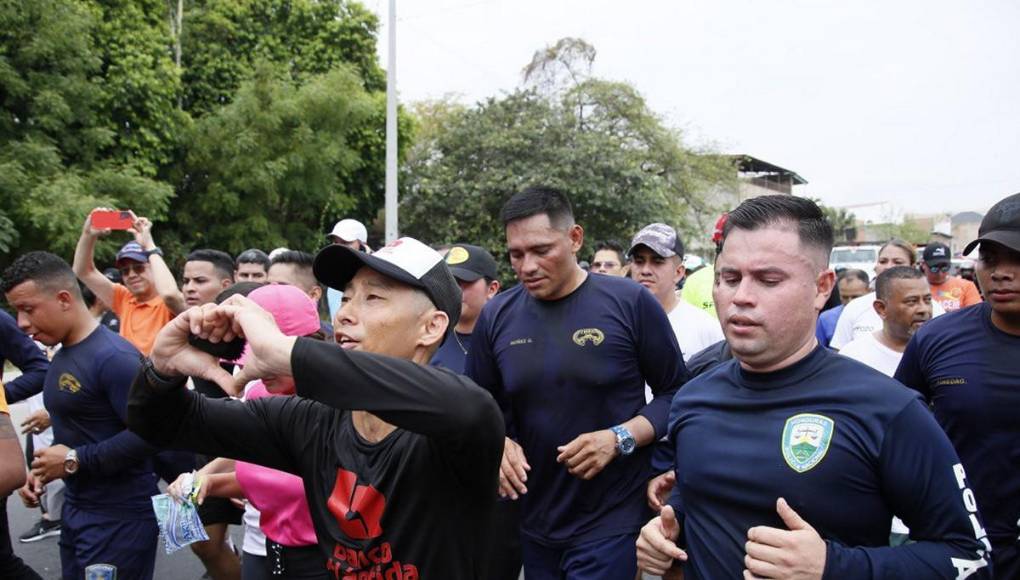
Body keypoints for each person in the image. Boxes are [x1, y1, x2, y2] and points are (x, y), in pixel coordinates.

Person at [636, 195, 992, 579]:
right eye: (730, 278)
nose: (741, 297)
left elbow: (969, 559)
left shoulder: (887, 409)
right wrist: (666, 535)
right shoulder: (693, 397)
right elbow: (699, 503)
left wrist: (833, 567)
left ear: (822, 288)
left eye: (769, 280)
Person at [126, 237, 504, 579]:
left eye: (373, 298)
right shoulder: (311, 419)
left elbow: (468, 408)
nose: (344, 314)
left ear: (431, 327)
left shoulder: (457, 428)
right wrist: (163, 368)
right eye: (347, 296)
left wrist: (284, 351)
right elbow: (163, 423)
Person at [467, 186, 687, 579]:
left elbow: (678, 395)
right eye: (516, 254)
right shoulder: (497, 316)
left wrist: (620, 437)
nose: (527, 266)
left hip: (611, 518)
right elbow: (477, 406)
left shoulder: (630, 303)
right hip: (535, 519)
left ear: (574, 238)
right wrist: (496, 443)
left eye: (541, 250)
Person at [3, 252, 160, 580]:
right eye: (17, 311)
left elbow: (153, 436)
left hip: (119, 518)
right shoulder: (63, 354)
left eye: (28, 309)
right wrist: (45, 470)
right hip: (78, 511)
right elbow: (82, 428)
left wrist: (75, 459)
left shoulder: (115, 358)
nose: (21, 323)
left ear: (63, 299)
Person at [895, 192, 1020, 578]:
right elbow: (896, 432)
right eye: (990, 258)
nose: (1001, 272)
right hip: (961, 546)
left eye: (1017, 259)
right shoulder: (936, 339)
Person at [167, 284, 327, 579]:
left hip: (328, 557)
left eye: (267, 356)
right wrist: (206, 482)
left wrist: (216, 481)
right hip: (269, 547)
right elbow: (254, 464)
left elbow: (292, 485)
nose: (256, 368)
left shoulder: (335, 404)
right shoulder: (256, 393)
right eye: (250, 356)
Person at [73, 209, 181, 355]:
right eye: (124, 271)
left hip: (162, 376)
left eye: (139, 268)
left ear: (153, 266)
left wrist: (150, 247)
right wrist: (88, 235)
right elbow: (83, 271)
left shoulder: (169, 303)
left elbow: (170, 294)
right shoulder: (124, 298)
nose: (131, 275)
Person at [629, 223, 723, 363]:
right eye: (639, 261)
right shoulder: (615, 321)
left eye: (657, 261)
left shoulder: (706, 329)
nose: (645, 270)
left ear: (678, 272)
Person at [830, 238, 945, 349]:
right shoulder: (855, 307)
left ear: (912, 267)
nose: (888, 267)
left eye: (897, 262)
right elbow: (839, 353)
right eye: (883, 261)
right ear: (880, 308)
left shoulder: (935, 311)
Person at [839, 267, 932, 376]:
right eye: (911, 302)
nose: (923, 309)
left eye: (927, 300)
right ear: (881, 308)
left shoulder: (946, 352)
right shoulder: (853, 357)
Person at [430, 244, 501, 373]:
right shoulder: (430, 338)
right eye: (449, 281)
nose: (455, 290)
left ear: (492, 289)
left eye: (464, 282)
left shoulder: (508, 339)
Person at [266, 251, 332, 341]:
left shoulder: (335, 341)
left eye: (282, 286)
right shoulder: (254, 334)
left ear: (314, 294)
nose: (271, 292)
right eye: (268, 285)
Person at [325, 219, 370, 321]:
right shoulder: (332, 278)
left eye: (345, 242)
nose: (339, 247)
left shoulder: (375, 276)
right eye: (336, 242)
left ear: (363, 246)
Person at [921, 242, 983, 312]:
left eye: (945, 268)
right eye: (934, 269)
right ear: (923, 265)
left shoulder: (967, 286)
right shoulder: (916, 287)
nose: (940, 273)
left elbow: (974, 314)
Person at [815, 269, 869, 347]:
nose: (850, 302)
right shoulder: (826, 319)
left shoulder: (880, 316)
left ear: (869, 291)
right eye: (845, 297)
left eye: (855, 297)